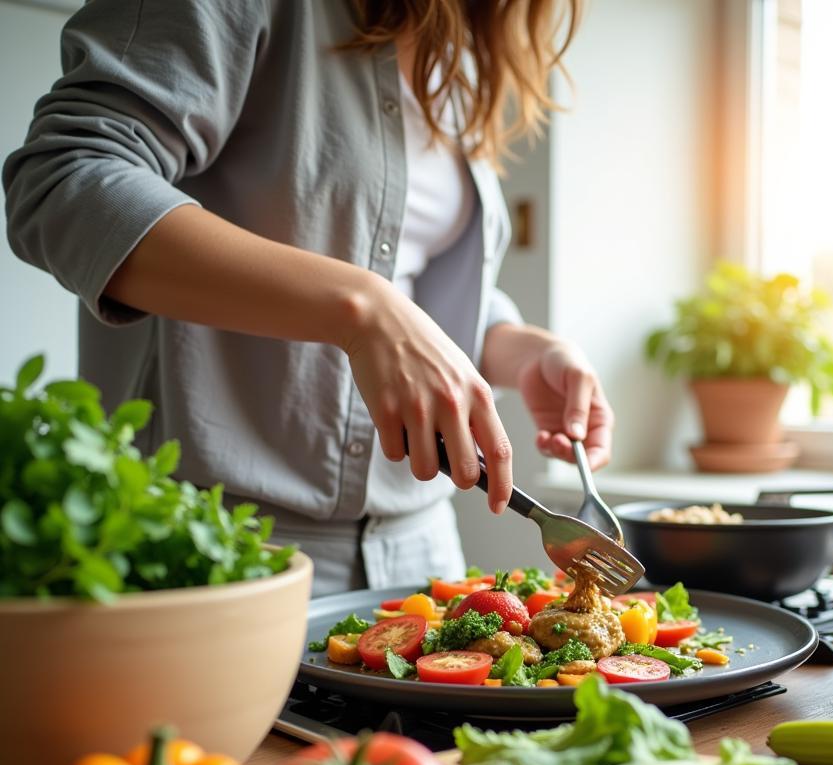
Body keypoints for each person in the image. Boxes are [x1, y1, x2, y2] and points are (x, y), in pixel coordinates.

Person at [4, 0, 613, 595]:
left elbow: (400, 275)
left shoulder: (457, 60)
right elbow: (64, 181)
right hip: (211, 556)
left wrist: (515, 348)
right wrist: (362, 309)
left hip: (421, 560)